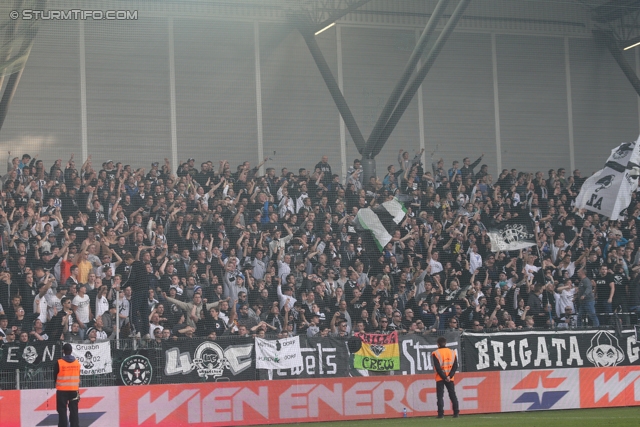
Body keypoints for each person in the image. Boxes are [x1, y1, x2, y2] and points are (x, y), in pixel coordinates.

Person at [432, 336, 459, 419]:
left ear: (438, 344)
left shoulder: (435, 353)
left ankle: (441, 414)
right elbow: (455, 366)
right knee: (452, 395)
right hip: (450, 378)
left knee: (440, 396)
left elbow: (438, 368)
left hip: (440, 378)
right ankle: (456, 413)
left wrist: (444, 377)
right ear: (445, 343)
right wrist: (449, 376)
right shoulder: (452, 352)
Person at [55, 342, 80, 427]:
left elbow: (55, 375)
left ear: (63, 351)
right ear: (71, 351)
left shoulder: (59, 362)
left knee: (62, 410)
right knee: (74, 411)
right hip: (74, 389)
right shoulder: (77, 363)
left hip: (62, 390)